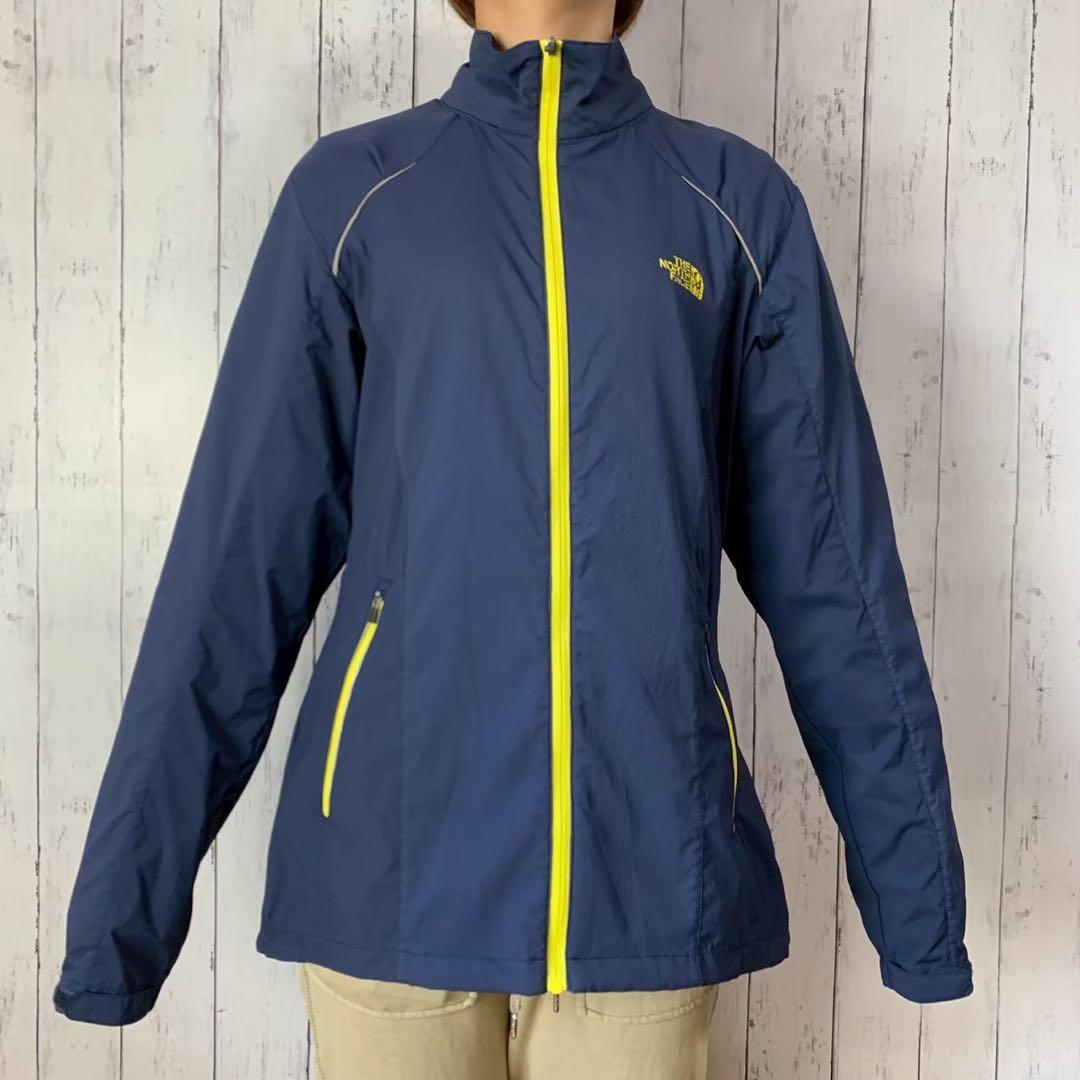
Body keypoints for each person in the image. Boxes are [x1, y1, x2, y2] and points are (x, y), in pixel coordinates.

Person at [53, 0, 973, 1076]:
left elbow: (838, 588)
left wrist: (919, 909)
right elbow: (231, 575)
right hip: (391, 875)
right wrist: (119, 923)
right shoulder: (355, 196)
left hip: (645, 874)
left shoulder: (731, 206)